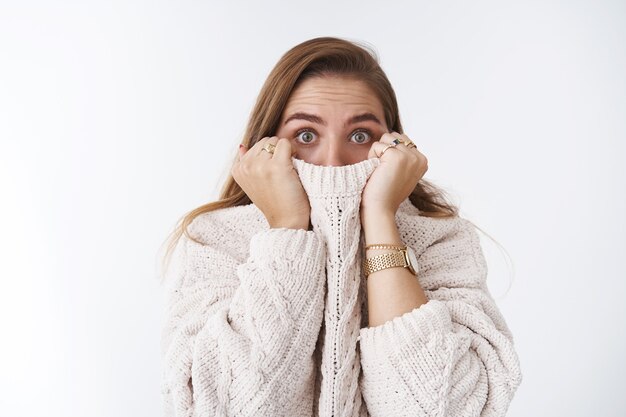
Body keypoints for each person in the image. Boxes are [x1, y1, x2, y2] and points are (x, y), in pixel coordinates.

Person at [159, 36, 522, 417]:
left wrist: (380, 218)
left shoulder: (442, 239)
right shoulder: (215, 240)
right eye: (305, 135)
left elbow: (442, 409)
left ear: (396, 147)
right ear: (261, 151)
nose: (332, 162)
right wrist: (287, 229)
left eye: (360, 135)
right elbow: (226, 407)